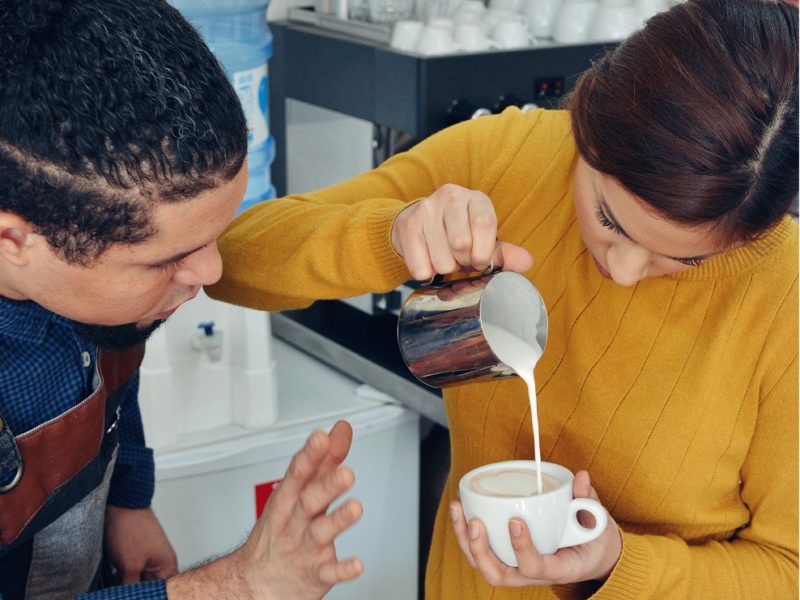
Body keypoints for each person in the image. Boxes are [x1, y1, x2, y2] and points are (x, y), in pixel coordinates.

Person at [206, 0, 798, 597]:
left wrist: (617, 566)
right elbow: (226, 262)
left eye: (684, 257)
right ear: (586, 118)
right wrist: (393, 236)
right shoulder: (511, 157)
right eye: (608, 218)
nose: (621, 271)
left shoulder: (784, 295)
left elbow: (786, 568)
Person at [0, 1, 362, 598]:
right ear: (16, 240)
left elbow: (115, 377)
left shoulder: (104, 297)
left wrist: (126, 501)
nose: (211, 271)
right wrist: (234, 586)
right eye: (166, 258)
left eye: (215, 235)